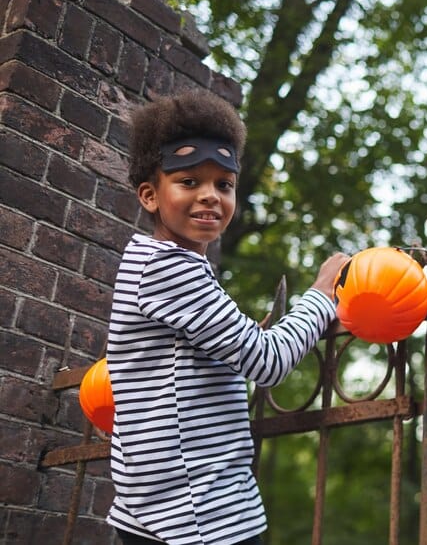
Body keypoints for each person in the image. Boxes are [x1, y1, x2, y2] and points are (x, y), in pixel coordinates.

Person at [106, 90, 349, 544]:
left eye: (224, 184)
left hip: (156, 511)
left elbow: (202, 350)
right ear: (149, 195)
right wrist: (322, 295)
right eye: (188, 181)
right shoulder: (168, 267)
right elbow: (267, 362)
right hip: (196, 517)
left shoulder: (155, 263)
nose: (210, 196)